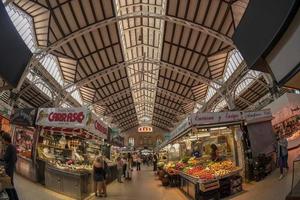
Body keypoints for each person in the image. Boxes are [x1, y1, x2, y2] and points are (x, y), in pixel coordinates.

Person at [1, 132, 19, 200]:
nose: (2, 141)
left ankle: (13, 198)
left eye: (2, 139)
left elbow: (5, 158)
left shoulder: (9, 147)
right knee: (11, 185)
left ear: (5, 139)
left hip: (8, 169)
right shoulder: (13, 146)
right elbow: (15, 159)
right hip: (11, 168)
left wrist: (3, 154)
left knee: (8, 186)